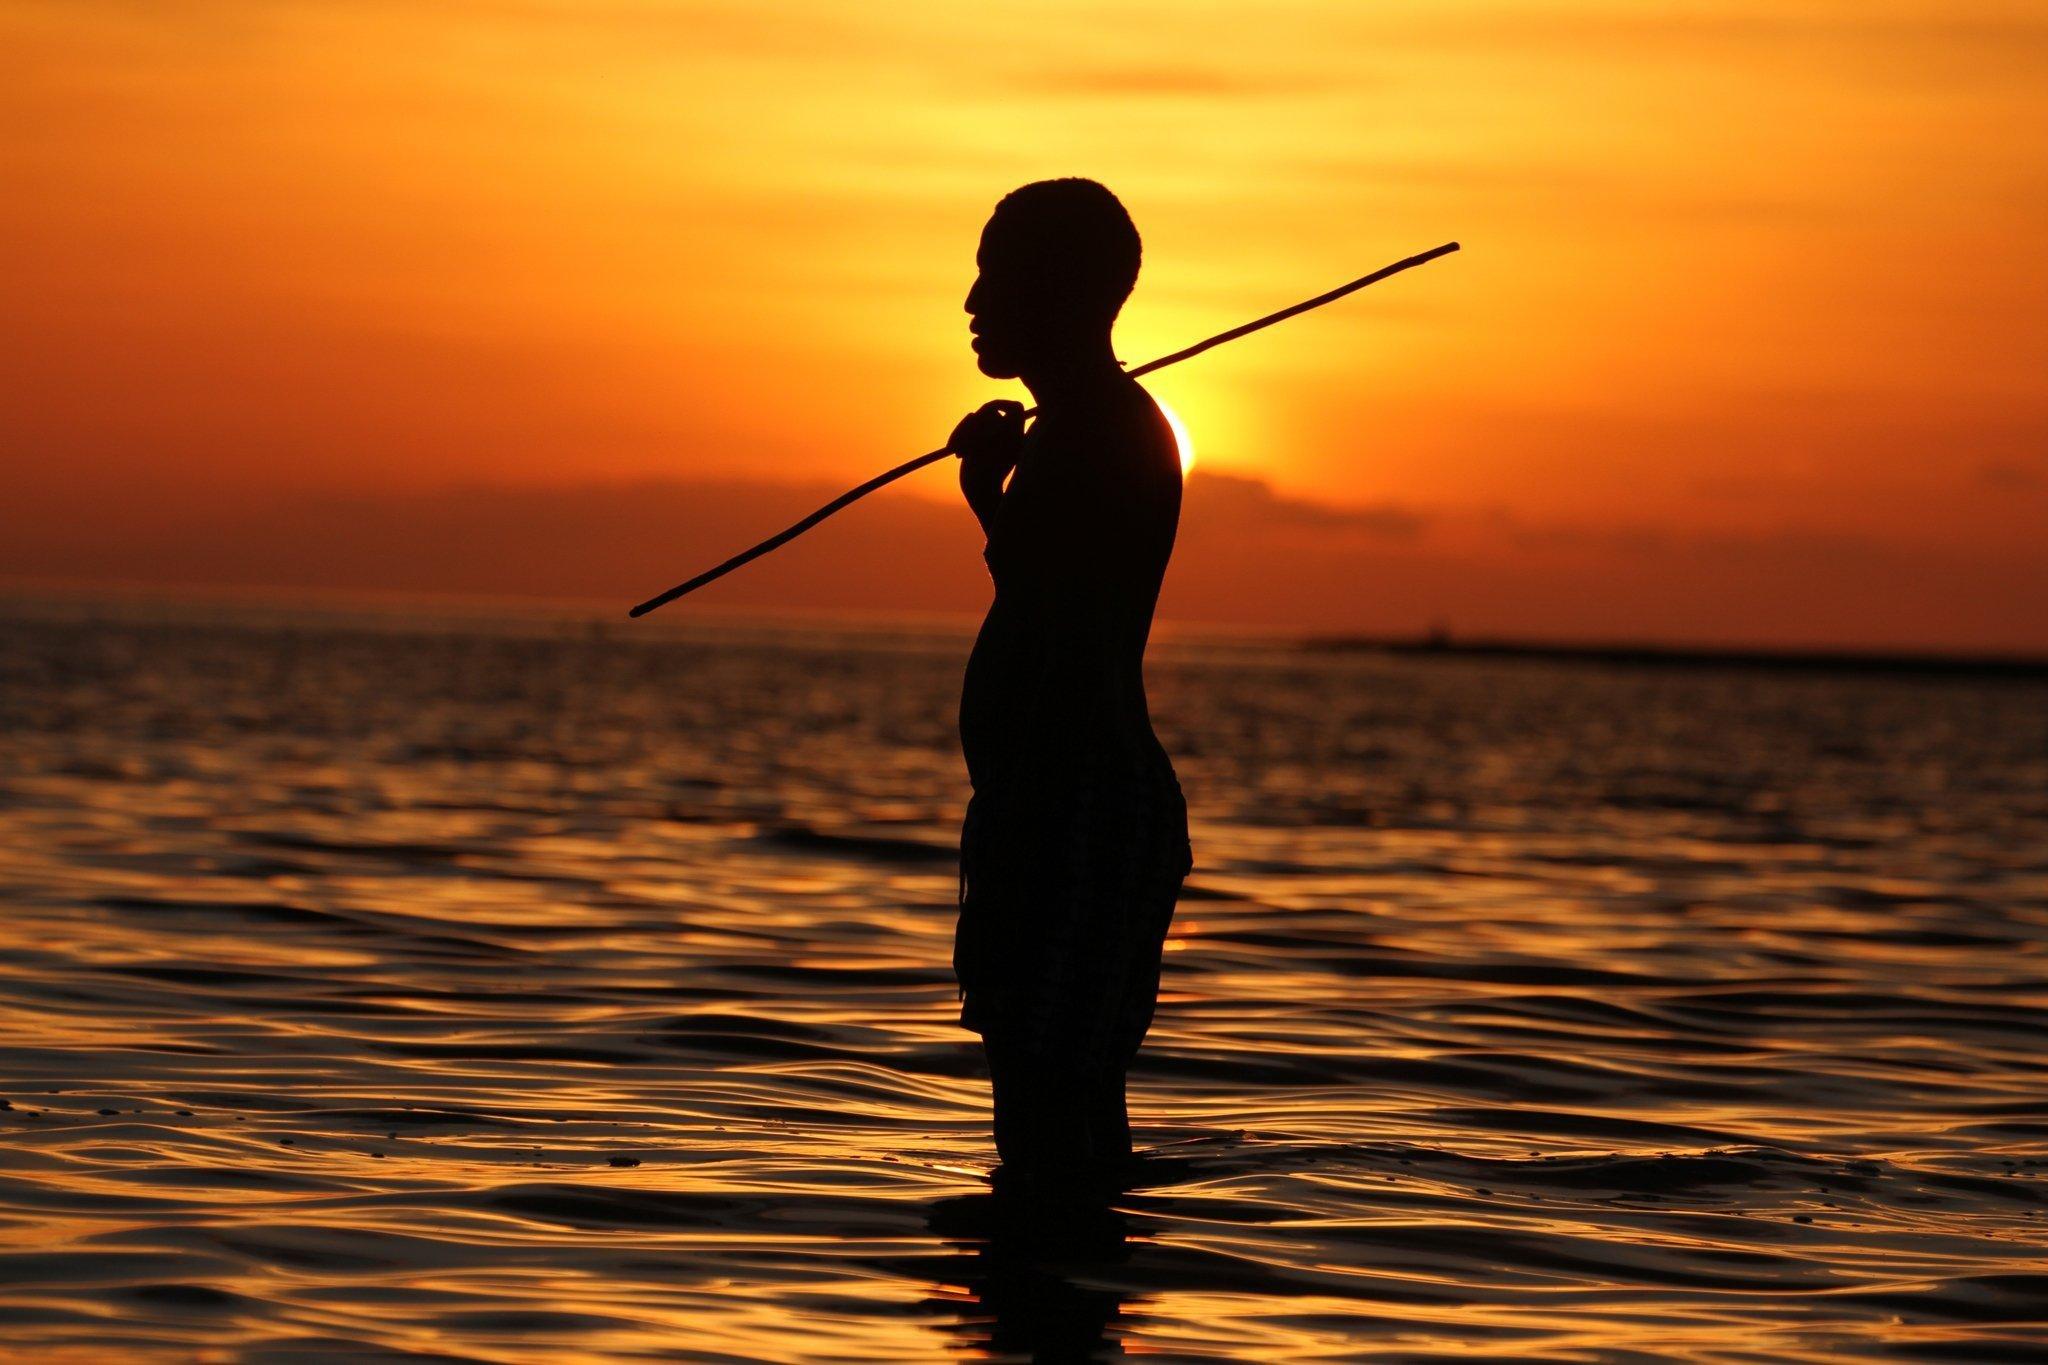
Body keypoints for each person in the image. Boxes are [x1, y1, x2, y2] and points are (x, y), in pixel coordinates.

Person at [949, 179, 1193, 1188]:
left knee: (1047, 1102)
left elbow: (1053, 597)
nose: (972, 302)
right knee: (1061, 1095)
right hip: (1062, 799)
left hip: (1073, 802)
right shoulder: (1089, 426)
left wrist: (984, 492)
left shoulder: (1097, 429)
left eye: (994, 276)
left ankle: (1052, 1269)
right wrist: (999, 493)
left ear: (1056, 289)